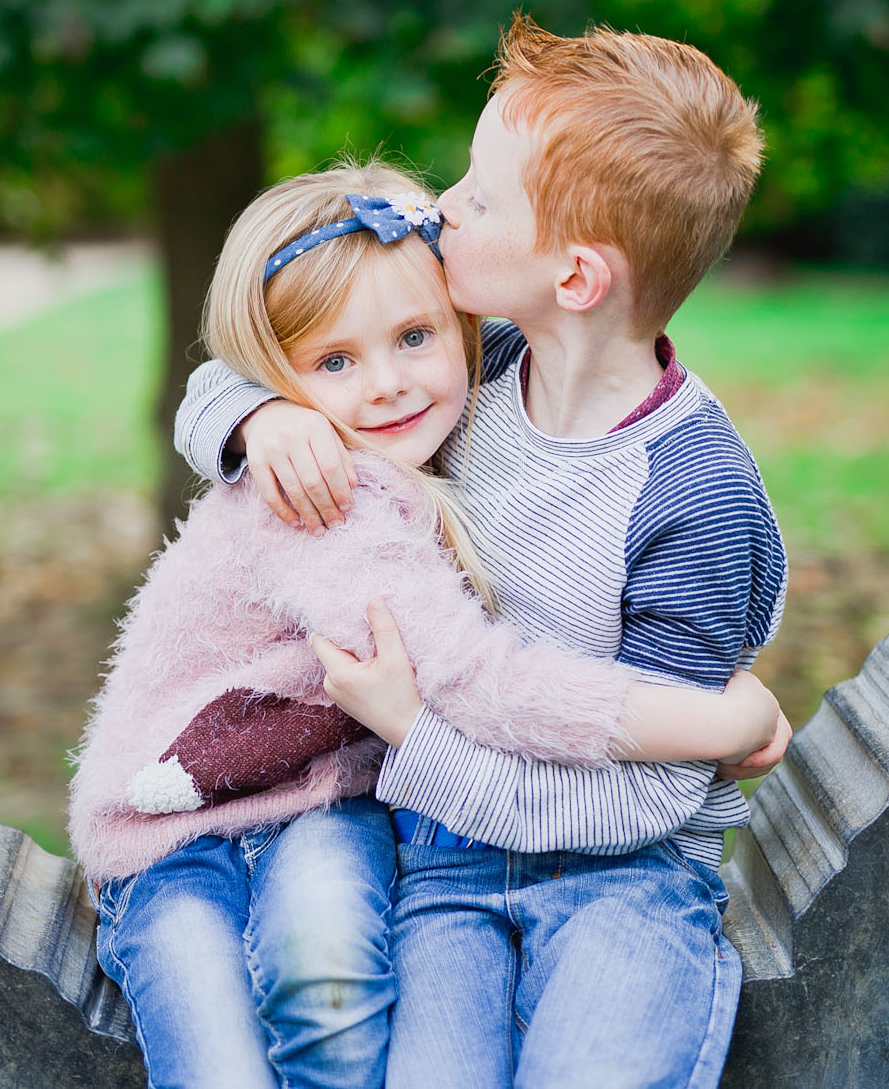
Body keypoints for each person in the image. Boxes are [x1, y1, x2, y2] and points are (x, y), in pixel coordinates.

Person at [70, 161, 784, 1089]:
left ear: (460, 326)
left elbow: (307, 346)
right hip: (167, 833)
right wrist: (717, 721)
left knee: (328, 976)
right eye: (333, 366)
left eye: (415, 337)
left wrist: (271, 402)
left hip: (358, 810)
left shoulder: (485, 388)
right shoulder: (334, 488)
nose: (388, 386)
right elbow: (478, 681)